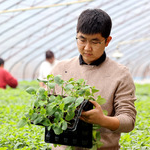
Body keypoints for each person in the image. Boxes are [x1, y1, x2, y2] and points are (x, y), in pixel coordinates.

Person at [51, 9, 137, 150]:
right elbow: (47, 109)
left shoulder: (120, 74)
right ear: (76, 36)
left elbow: (128, 121)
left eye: (95, 41)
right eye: (82, 39)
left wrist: (103, 120)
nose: (87, 48)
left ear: (107, 41)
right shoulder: (60, 70)